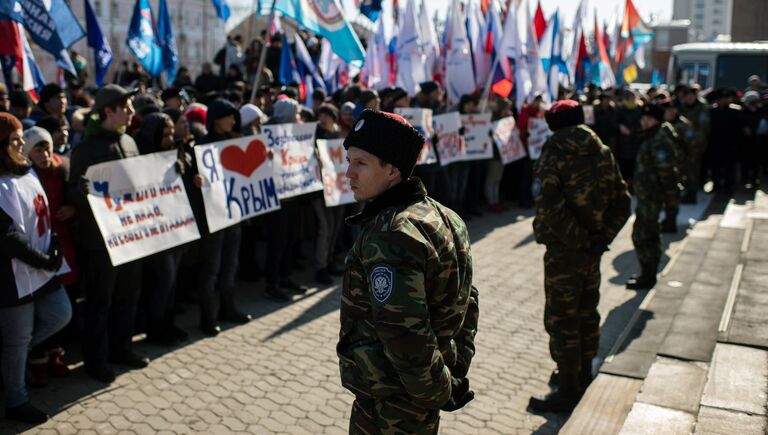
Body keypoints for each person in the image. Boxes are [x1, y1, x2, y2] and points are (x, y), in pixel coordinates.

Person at [338, 109, 479, 434]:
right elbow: (467, 302)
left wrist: (439, 390)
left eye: (360, 163)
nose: (349, 173)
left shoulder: (392, 234)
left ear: (392, 170)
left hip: (394, 400)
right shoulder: (444, 215)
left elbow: (405, 334)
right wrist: (454, 369)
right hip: (419, 387)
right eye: (349, 161)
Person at [528, 100, 631, 412]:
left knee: (562, 319)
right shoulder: (601, 150)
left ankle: (568, 390)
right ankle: (582, 374)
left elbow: (549, 206)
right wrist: (601, 238)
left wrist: (579, 240)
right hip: (592, 251)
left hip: (565, 253)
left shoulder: (554, 153)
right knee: (587, 312)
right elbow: (623, 200)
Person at [69, 84, 148, 383]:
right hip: (101, 241)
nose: (131, 112)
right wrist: (80, 191)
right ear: (108, 111)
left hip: (131, 234)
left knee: (128, 296)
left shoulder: (130, 142)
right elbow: (73, 193)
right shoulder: (86, 149)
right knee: (100, 302)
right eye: (125, 107)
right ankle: (95, 360)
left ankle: (121, 348)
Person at [0, 113, 72, 423]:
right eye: (15, 140)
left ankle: (12, 362)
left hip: (42, 266)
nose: (21, 145)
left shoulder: (25, 172)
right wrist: (44, 260)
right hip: (13, 276)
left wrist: (53, 245)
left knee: (60, 313)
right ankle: (16, 400)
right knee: (17, 339)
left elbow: (41, 213)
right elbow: (8, 238)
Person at [189, 99, 252, 335]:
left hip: (233, 215)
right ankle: (208, 317)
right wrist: (197, 181)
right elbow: (192, 180)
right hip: (213, 217)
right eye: (230, 116)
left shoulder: (235, 142)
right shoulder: (201, 146)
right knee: (212, 268)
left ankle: (228, 308)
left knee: (230, 265)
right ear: (216, 118)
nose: (234, 121)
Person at [136, 113, 191, 345]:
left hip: (175, 223)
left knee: (172, 280)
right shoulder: (142, 157)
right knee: (163, 280)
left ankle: (168, 323)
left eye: (171, 133)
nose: (170, 138)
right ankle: (155, 327)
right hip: (154, 229)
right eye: (165, 134)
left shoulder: (174, 152)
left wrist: (182, 162)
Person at [626, 104, 679, 290]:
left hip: (652, 196)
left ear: (655, 120)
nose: (643, 122)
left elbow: (666, 172)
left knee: (643, 235)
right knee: (648, 234)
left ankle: (648, 276)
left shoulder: (659, 140)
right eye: (643, 119)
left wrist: (669, 198)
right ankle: (647, 274)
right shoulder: (652, 136)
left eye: (647, 119)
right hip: (647, 195)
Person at [312, 104, 345, 285]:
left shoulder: (338, 136)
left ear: (334, 118)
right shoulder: (314, 135)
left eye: (327, 115)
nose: (323, 119)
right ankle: (320, 267)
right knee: (325, 227)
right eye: (321, 115)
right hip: (320, 190)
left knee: (334, 227)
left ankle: (329, 260)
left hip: (337, 189)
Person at [659, 98, 690, 233]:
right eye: (668, 110)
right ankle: (667, 219)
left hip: (677, 165)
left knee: (673, 194)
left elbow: (690, 144)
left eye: (673, 110)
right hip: (663, 166)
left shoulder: (682, 124)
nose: (671, 113)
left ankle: (671, 221)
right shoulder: (660, 125)